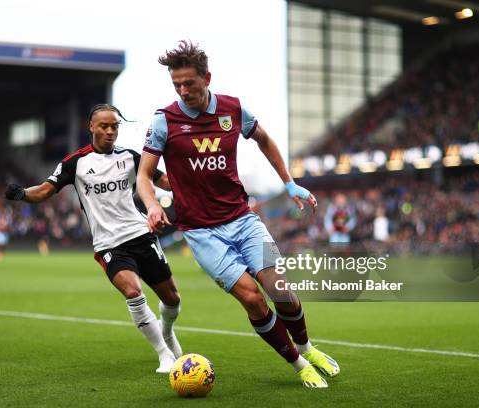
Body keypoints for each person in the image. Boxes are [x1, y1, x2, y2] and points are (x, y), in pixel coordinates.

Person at [137, 41, 339, 388]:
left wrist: (289, 184)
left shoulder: (233, 110)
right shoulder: (164, 121)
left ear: (207, 78)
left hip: (244, 221)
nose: (184, 92)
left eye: (190, 84)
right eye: (177, 86)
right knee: (252, 298)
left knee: (279, 290)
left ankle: (307, 345)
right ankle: (298, 363)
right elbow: (143, 175)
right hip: (202, 234)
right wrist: (153, 204)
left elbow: (264, 139)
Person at [5, 104, 182, 373]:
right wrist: (20, 194)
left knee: (172, 299)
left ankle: (167, 332)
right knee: (133, 292)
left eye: (114, 126)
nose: (110, 131)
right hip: (109, 244)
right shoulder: (75, 163)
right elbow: (43, 191)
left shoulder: (130, 157)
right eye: (104, 126)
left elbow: (163, 181)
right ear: (91, 127)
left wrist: (191, 177)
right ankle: (163, 354)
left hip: (141, 234)